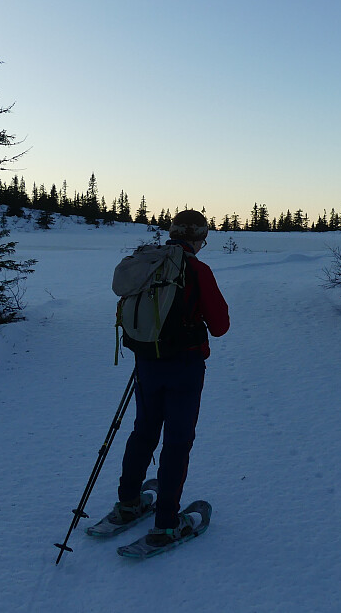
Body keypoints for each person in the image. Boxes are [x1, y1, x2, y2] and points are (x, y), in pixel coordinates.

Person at [103, 209, 229, 547]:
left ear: (171, 233)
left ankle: (128, 503)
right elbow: (220, 327)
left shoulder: (146, 262)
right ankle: (166, 523)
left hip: (146, 362)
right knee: (177, 441)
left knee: (143, 432)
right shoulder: (198, 270)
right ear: (200, 239)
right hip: (185, 366)